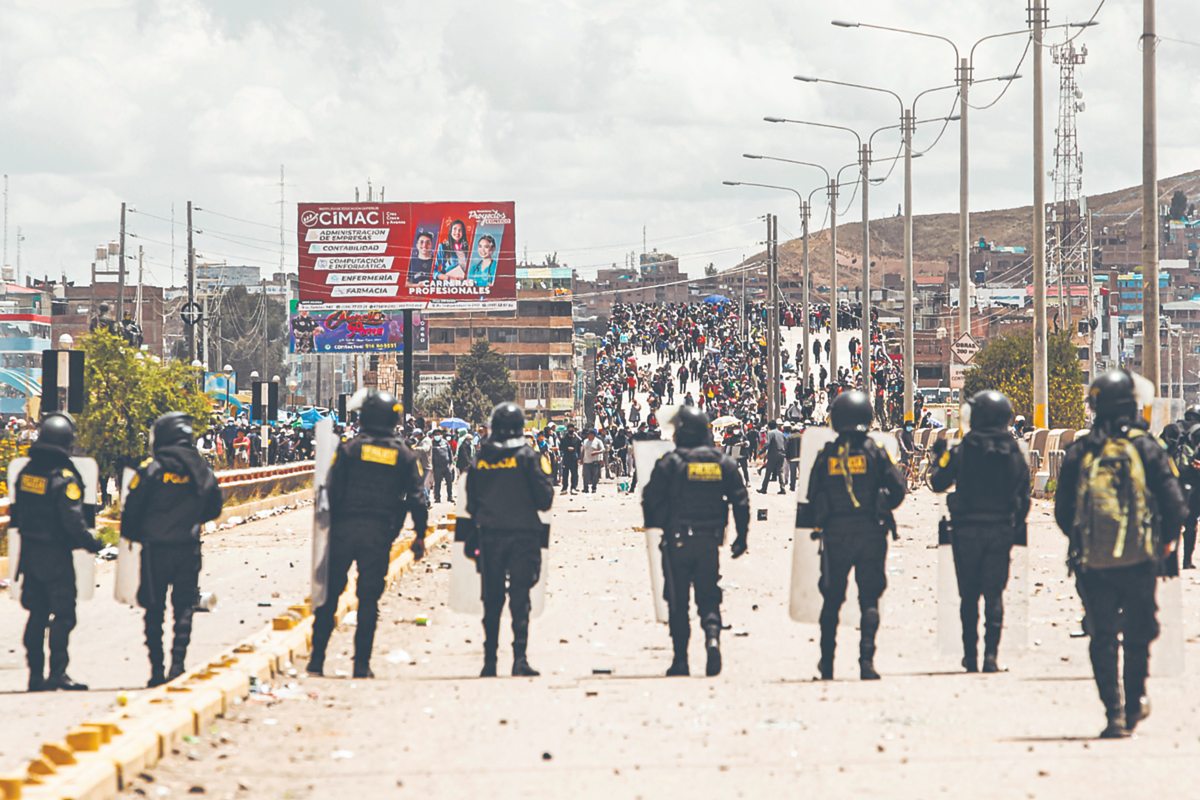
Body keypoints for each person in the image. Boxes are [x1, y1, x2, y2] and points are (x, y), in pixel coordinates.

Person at [1053, 370, 1186, 737]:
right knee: (1139, 632)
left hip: (1092, 561)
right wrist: (1164, 542)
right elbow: (1175, 504)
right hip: (1141, 558)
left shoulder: (1080, 451)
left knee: (1103, 635)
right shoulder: (1146, 448)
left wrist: (1084, 541)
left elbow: (1063, 511)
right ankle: (1135, 702)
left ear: (1094, 406)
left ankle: (1112, 712)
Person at [306, 391, 428, 679]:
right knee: (368, 600)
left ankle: (317, 660)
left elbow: (330, 488)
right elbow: (417, 498)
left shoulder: (350, 450)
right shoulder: (404, 454)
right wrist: (419, 535)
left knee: (329, 594)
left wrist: (330, 524)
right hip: (378, 535)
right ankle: (361, 665)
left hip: (343, 531)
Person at [806, 390, 906, 680]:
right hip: (870, 533)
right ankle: (866, 662)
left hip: (836, 535)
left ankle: (827, 665)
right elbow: (898, 489)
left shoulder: (827, 455)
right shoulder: (875, 452)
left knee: (832, 600)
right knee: (869, 600)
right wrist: (880, 506)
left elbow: (812, 497)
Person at [928, 390, 1030, 673]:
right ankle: (991, 657)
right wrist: (1011, 525)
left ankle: (970, 656)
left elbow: (938, 483)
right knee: (994, 595)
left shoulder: (962, 450)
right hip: (1000, 530)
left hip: (966, 530)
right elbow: (1024, 496)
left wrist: (939, 459)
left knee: (969, 596)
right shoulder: (1012, 452)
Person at [642, 407, 749, 677]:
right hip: (709, 541)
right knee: (709, 595)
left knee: (678, 602)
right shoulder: (722, 463)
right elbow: (740, 500)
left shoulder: (671, 462)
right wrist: (741, 537)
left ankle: (681, 660)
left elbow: (650, 499)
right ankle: (712, 638)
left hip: (677, 540)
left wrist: (659, 525)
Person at [121, 413, 224, 687]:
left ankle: (156, 670)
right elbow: (215, 506)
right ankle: (178, 665)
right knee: (184, 608)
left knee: (153, 610)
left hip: (154, 551)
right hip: (188, 548)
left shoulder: (151, 469)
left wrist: (134, 535)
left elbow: (131, 509)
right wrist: (190, 520)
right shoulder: (200, 470)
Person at [461, 403, 555, 677]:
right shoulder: (528, 457)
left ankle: (489, 662)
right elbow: (545, 500)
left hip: (489, 536)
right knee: (520, 597)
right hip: (524, 537)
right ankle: (519, 659)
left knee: (491, 600)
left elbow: (471, 503)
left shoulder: (482, 459)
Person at [11, 412, 102, 691]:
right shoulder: (64, 477)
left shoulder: (28, 473)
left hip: (30, 554)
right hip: (56, 557)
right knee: (64, 615)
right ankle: (57, 673)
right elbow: (72, 520)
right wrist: (92, 542)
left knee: (37, 614)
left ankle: (35, 676)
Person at [758, 420, 787, 495]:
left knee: (768, 472)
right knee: (780, 472)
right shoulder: (781, 433)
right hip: (782, 454)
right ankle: (782, 488)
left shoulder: (770, 433)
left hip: (773, 454)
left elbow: (767, 443)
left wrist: (761, 451)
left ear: (769, 426)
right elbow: (785, 442)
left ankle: (764, 489)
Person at [431, 431, 454, 503]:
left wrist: (451, 463)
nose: (437, 436)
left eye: (438, 434)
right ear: (433, 436)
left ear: (441, 435)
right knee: (437, 483)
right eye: (435, 435)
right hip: (437, 467)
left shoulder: (445, 442)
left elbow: (450, 453)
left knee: (449, 482)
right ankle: (437, 498)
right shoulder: (431, 443)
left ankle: (450, 497)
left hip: (447, 466)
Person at [559, 422, 581, 494]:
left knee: (574, 474)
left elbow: (579, 449)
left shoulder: (577, 439)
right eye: (569, 428)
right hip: (566, 458)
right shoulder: (564, 438)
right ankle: (564, 488)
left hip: (574, 458)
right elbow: (561, 448)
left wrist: (579, 458)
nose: (571, 429)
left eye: (572, 428)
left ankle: (573, 488)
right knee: (565, 474)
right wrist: (567, 448)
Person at [580, 428, 605, 493]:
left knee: (595, 476)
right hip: (586, 461)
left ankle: (594, 488)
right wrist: (581, 459)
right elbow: (583, 450)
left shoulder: (598, 441)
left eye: (590, 434)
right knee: (585, 475)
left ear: (593, 435)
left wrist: (596, 452)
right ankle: (585, 488)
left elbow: (603, 449)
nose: (589, 436)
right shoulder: (585, 441)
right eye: (588, 434)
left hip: (595, 461)